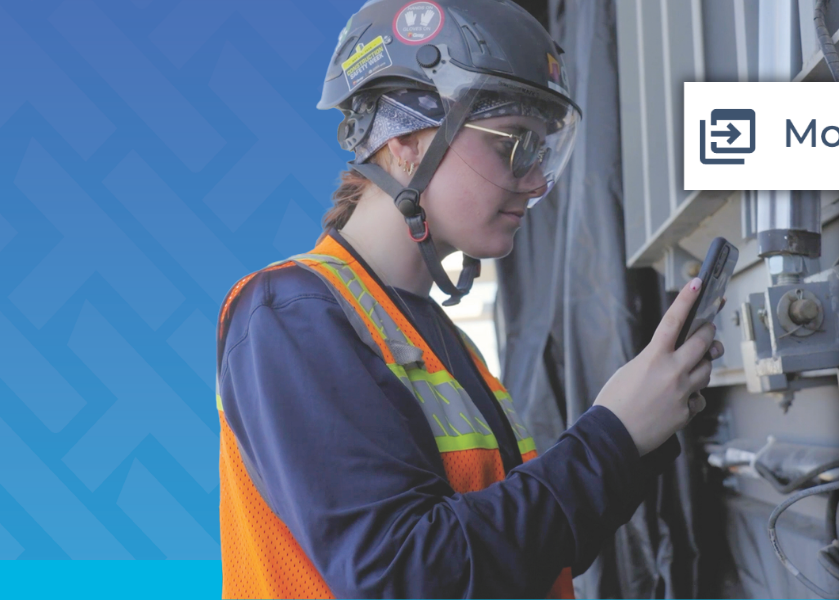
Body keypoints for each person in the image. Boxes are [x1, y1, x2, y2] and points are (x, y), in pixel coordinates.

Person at [217, 1, 720, 597]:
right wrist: (612, 436)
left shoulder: (439, 339)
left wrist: (638, 436)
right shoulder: (290, 314)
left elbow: (526, 548)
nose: (535, 181)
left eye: (542, 152)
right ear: (404, 140)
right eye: (514, 145)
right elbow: (406, 574)